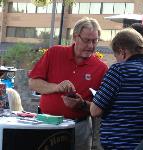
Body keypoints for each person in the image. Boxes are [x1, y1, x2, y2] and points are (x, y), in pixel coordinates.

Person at [28, 17, 108, 150]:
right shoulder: (55, 53)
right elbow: (33, 83)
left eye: (95, 41)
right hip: (47, 124)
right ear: (75, 37)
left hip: (80, 128)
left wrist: (81, 105)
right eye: (87, 40)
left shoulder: (101, 68)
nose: (91, 46)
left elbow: (101, 108)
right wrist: (57, 87)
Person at [90, 28, 143, 149]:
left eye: (116, 55)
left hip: (121, 144)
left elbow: (95, 111)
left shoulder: (119, 70)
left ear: (122, 52)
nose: (117, 59)